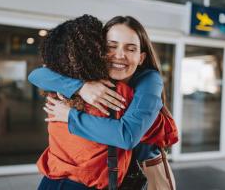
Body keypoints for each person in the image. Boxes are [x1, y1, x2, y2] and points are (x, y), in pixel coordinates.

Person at [29, 16, 178, 190]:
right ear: (99, 50)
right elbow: (36, 74)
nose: (120, 55)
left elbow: (129, 135)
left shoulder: (148, 81)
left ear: (141, 57)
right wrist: (81, 87)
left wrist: (70, 117)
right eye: (111, 46)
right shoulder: (88, 79)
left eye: (131, 49)